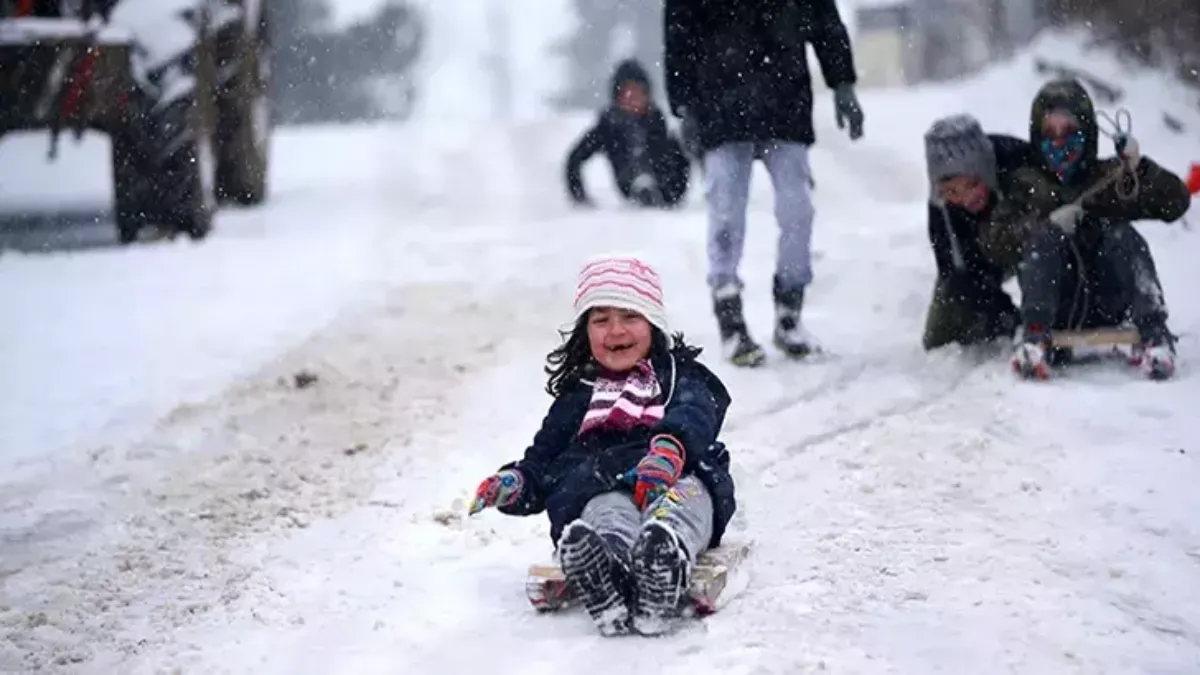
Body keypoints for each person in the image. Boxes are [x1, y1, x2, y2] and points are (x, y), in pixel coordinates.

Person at [466, 254, 737, 637]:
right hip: (602, 484)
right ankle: (605, 570)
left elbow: (697, 410)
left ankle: (663, 559)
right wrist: (514, 484)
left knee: (681, 504)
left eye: (630, 316)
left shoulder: (678, 374)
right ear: (585, 331)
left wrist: (670, 449)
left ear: (654, 323)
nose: (615, 330)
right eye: (601, 320)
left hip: (677, 475)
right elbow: (543, 461)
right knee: (605, 513)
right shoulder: (579, 395)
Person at [663, 0, 865, 367]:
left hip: (784, 100)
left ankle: (790, 312)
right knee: (725, 216)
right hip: (720, 105)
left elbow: (823, 20)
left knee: (798, 210)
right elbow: (679, 31)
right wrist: (685, 106)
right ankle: (730, 317)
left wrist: (843, 83)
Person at [977, 78, 1191, 380]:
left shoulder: (1109, 177)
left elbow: (1175, 202)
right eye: (1050, 132)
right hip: (1054, 305)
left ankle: (1154, 331)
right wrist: (1043, 226)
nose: (1060, 141)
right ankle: (1034, 337)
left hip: (1107, 298)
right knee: (1044, 240)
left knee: (1123, 235)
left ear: (1087, 132)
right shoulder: (1025, 184)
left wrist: (1139, 168)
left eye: (1069, 131)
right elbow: (993, 242)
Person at [921, 114, 1034, 351]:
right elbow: (955, 274)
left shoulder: (1022, 165)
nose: (966, 198)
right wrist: (1003, 317)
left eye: (972, 185)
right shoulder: (941, 209)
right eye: (952, 192)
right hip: (982, 257)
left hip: (1031, 243)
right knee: (940, 336)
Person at [564, 59, 690, 208]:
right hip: (629, 185)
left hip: (667, 191)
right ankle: (641, 185)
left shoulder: (657, 122)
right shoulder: (609, 126)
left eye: (638, 92)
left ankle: (650, 187)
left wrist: (674, 192)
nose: (633, 99)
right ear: (618, 97)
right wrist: (579, 197)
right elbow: (576, 158)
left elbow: (681, 160)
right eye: (627, 93)